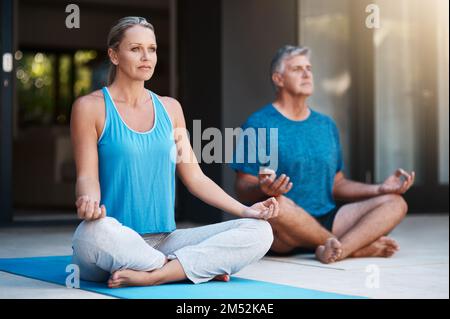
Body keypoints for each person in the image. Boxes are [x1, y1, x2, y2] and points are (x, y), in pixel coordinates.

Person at [70, 16, 279, 288]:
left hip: (165, 241)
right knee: (91, 234)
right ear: (114, 55)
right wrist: (89, 201)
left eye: (152, 49)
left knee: (259, 231)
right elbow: (87, 176)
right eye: (135, 49)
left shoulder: (170, 108)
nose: (146, 57)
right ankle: (188, 267)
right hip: (115, 241)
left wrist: (246, 211)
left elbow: (195, 178)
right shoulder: (90, 107)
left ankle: (157, 274)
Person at [231, 45, 415, 264]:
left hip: (327, 217)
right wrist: (262, 188)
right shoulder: (258, 124)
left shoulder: (325, 125)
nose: (307, 73)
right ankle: (351, 248)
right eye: (297, 69)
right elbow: (242, 187)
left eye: (309, 68)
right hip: (283, 226)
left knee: (396, 203)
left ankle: (339, 248)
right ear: (278, 79)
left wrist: (379, 189)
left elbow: (337, 183)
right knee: (276, 204)